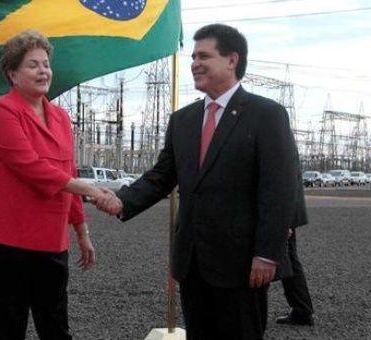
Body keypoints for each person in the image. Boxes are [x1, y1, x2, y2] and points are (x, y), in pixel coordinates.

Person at [94, 24, 299, 340]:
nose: (194, 63)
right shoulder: (183, 120)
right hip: (193, 263)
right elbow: (162, 175)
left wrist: (267, 253)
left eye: (204, 56)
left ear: (232, 60)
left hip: (242, 264)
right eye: (192, 57)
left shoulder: (266, 115)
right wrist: (123, 200)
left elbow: (280, 188)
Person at [0, 30, 106, 340]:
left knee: (55, 326)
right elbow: (32, 167)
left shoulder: (60, 117)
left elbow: (65, 172)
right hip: (4, 240)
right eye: (33, 65)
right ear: (12, 74)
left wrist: (82, 232)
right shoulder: (2, 112)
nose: (43, 71)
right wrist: (93, 190)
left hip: (50, 240)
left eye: (46, 64)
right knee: (7, 327)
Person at [276, 176, 314, 326]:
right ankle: (302, 309)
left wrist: (283, 219)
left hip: (283, 210)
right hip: (286, 208)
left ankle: (302, 310)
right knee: (289, 258)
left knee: (288, 259)